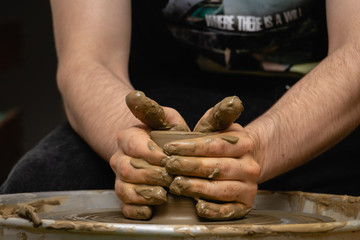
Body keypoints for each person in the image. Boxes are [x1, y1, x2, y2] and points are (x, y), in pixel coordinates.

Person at [1, 0, 359, 220]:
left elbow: (355, 53)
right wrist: (135, 146)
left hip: (315, 99)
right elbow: (88, 58)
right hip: (154, 98)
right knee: (35, 187)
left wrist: (260, 147)